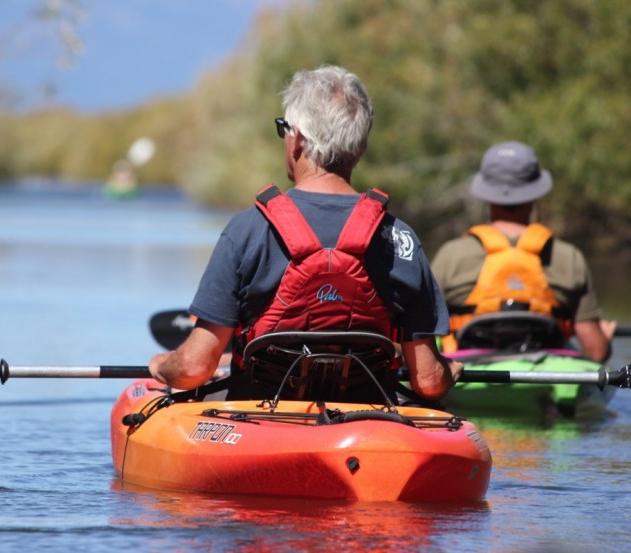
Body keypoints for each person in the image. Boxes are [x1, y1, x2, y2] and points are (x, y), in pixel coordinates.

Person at [149, 65, 462, 402]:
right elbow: (429, 382)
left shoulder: (247, 230)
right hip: (367, 414)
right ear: (361, 145)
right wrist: (450, 369)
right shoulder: (400, 238)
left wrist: (162, 366)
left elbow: (193, 368)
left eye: (283, 129)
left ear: (296, 139)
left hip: (259, 412)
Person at [430, 141, 615, 362]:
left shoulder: (451, 255)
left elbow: (420, 330)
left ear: (486, 194)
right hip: (546, 373)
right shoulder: (569, 257)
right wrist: (605, 339)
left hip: (469, 369)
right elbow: (596, 351)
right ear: (535, 191)